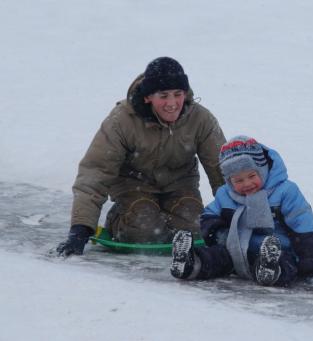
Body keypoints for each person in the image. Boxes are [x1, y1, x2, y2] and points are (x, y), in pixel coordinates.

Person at [56, 57, 226, 257]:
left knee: (195, 229)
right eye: (163, 96)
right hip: (133, 188)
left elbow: (221, 169)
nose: (172, 103)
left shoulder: (200, 119)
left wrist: (234, 218)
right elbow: (96, 171)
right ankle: (119, 221)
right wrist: (80, 229)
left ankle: (167, 222)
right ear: (148, 97)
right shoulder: (121, 121)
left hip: (180, 188)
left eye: (178, 94)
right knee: (143, 230)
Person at [170, 136, 313, 286]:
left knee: (286, 264)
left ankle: (269, 269)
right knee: (215, 257)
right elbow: (209, 216)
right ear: (229, 181)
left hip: (278, 250)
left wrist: (312, 269)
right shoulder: (226, 194)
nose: (247, 183)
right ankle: (189, 263)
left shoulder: (285, 192)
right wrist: (220, 234)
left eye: (252, 176)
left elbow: (305, 228)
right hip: (235, 251)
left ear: (262, 169)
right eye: (238, 180)